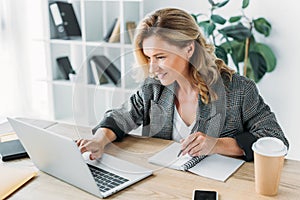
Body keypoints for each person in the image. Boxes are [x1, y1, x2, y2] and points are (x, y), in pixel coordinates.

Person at [77, 8, 289, 162]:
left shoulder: (239, 90)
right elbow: (119, 117)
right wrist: (98, 140)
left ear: (189, 49)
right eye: (148, 57)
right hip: (168, 185)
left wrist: (217, 144)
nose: (152, 69)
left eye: (160, 57)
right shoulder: (154, 88)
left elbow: (275, 139)